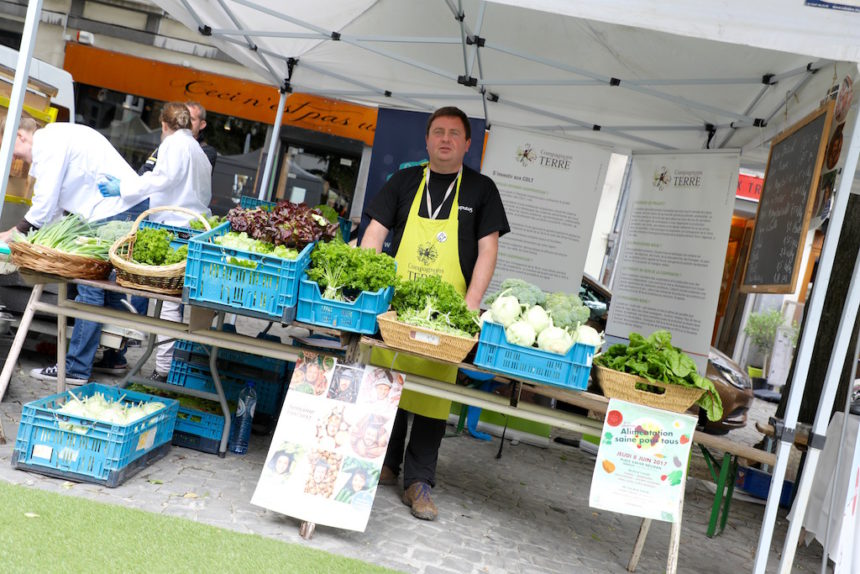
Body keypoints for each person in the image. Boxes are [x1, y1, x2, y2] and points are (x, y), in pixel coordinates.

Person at [361, 106, 509, 520]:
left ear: (467, 143)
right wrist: (368, 284)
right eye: (438, 132)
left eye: (454, 134)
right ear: (426, 140)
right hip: (397, 310)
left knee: (432, 393)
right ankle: (383, 463)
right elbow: (374, 231)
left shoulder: (482, 189)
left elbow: (488, 249)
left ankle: (419, 482)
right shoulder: (405, 180)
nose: (445, 139)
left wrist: (471, 307)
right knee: (385, 381)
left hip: (446, 317)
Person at [2, 117, 147, 385]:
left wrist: (12, 234)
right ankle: (114, 356)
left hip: (114, 208)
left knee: (90, 286)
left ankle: (75, 368)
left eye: (10, 148)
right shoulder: (56, 138)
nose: (13, 156)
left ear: (20, 136)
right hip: (120, 206)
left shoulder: (48, 143)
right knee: (107, 288)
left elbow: (45, 206)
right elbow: (53, 207)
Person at [98, 102, 213, 382]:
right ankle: (162, 367)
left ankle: (163, 369)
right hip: (191, 230)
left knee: (168, 304)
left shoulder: (173, 145)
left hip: (174, 231)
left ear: (164, 125)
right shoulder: (197, 151)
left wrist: (122, 189)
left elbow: (160, 180)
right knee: (171, 303)